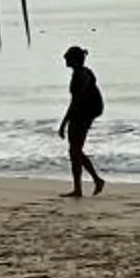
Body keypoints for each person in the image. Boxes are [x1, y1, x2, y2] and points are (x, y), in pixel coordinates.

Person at [56, 45, 108, 197]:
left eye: (67, 56)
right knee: (75, 151)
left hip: (82, 116)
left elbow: (75, 102)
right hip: (84, 115)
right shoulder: (85, 72)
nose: (64, 58)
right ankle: (88, 184)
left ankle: (90, 183)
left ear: (74, 59)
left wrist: (64, 123)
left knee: (75, 151)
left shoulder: (80, 76)